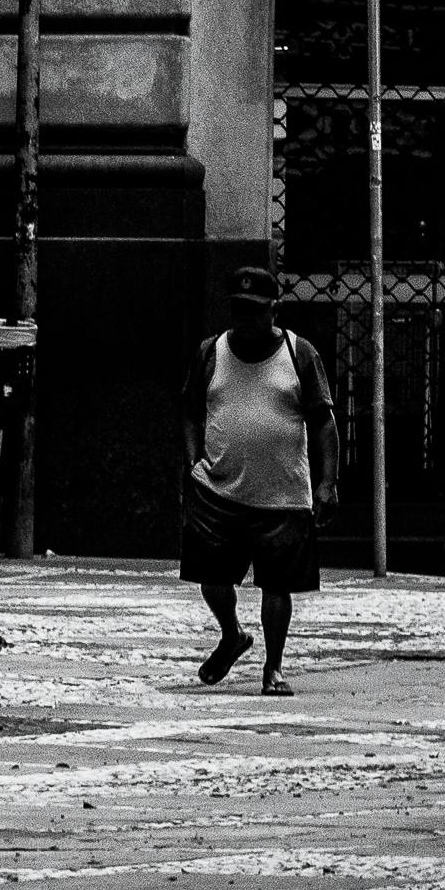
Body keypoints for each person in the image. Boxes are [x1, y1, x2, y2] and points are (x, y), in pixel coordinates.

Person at [183, 264, 336, 695]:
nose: (244, 319)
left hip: (283, 493)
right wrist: (193, 459)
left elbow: (323, 421)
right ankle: (232, 634)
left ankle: (274, 667)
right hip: (219, 488)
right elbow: (191, 410)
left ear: (275, 309)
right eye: (237, 310)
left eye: (254, 311)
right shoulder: (210, 352)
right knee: (211, 577)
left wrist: (327, 482)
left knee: (277, 584)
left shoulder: (299, 353)